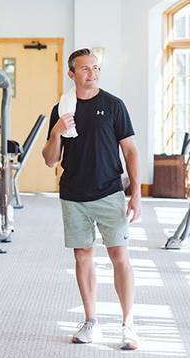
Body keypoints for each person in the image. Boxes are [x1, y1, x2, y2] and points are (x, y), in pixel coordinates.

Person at [42, 48, 141, 350]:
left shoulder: (113, 105)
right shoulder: (62, 109)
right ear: (71, 74)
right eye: (84, 69)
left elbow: (131, 151)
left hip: (109, 192)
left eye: (95, 68)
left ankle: (128, 324)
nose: (92, 73)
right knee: (82, 257)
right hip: (73, 194)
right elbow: (49, 160)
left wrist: (135, 193)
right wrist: (57, 133)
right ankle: (91, 321)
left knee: (119, 256)